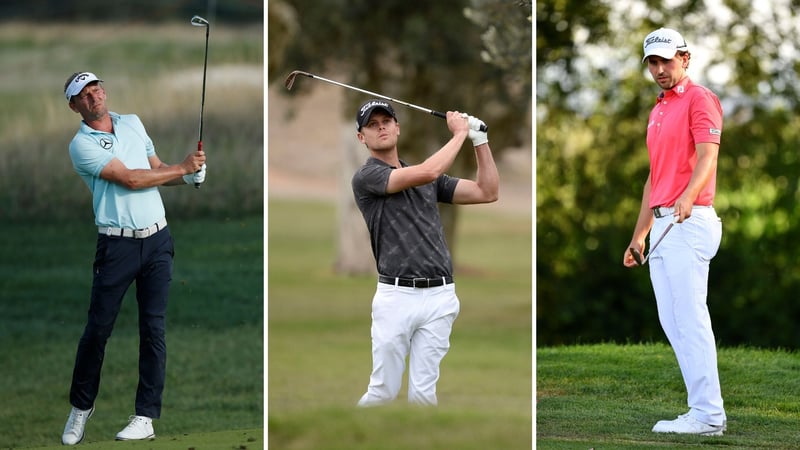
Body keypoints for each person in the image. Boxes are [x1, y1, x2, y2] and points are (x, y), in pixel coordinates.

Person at [60, 72, 207, 445]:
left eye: (96, 89)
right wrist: (184, 168)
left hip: (157, 240)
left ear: (104, 91)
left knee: (153, 331)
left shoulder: (133, 123)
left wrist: (188, 176)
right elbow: (129, 179)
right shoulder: (82, 145)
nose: (93, 96)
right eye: (84, 94)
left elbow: (156, 172)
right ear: (74, 105)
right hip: (116, 247)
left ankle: (145, 417)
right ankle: (81, 407)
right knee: (97, 331)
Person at [351, 99, 499, 406]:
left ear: (397, 127)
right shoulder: (367, 178)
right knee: (383, 392)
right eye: (372, 125)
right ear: (361, 137)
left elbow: (487, 191)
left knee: (423, 396)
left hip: (440, 298)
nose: (381, 128)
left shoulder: (426, 178)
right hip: (396, 297)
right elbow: (428, 172)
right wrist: (458, 134)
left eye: (386, 121)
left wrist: (479, 139)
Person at [623, 28, 726, 436]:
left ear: (685, 57)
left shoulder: (700, 99)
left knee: (691, 319)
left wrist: (688, 196)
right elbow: (655, 178)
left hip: (691, 220)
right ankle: (701, 410)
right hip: (664, 225)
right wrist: (639, 234)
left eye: (667, 60)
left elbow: (708, 156)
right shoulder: (658, 110)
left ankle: (708, 415)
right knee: (673, 322)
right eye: (653, 62)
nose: (660, 69)